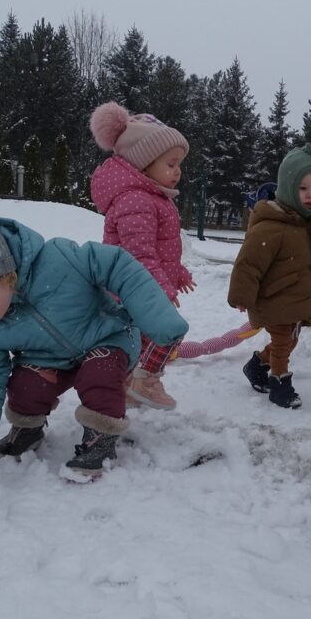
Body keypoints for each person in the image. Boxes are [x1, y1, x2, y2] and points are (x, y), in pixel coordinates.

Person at [0, 182, 188, 481]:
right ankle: (27, 428)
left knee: (100, 373)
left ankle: (100, 438)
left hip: (107, 338)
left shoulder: (61, 258)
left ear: (3, 270)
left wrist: (158, 319)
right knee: (25, 385)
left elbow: (119, 266)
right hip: (50, 360)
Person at [89, 101, 194, 410]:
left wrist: (178, 273)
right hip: (133, 287)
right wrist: (161, 288)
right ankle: (145, 381)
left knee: (140, 340)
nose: (177, 171)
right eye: (171, 164)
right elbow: (140, 254)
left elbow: (160, 250)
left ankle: (127, 386)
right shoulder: (136, 200)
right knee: (167, 331)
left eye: (179, 164)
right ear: (144, 163)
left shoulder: (152, 197)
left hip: (141, 286)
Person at [228, 144, 311, 409]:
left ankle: (256, 366)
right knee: (282, 343)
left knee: (290, 342)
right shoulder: (270, 227)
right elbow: (248, 264)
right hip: (273, 298)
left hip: (298, 301)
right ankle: (280, 386)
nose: (310, 196)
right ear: (288, 186)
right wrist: (242, 295)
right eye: (303, 188)